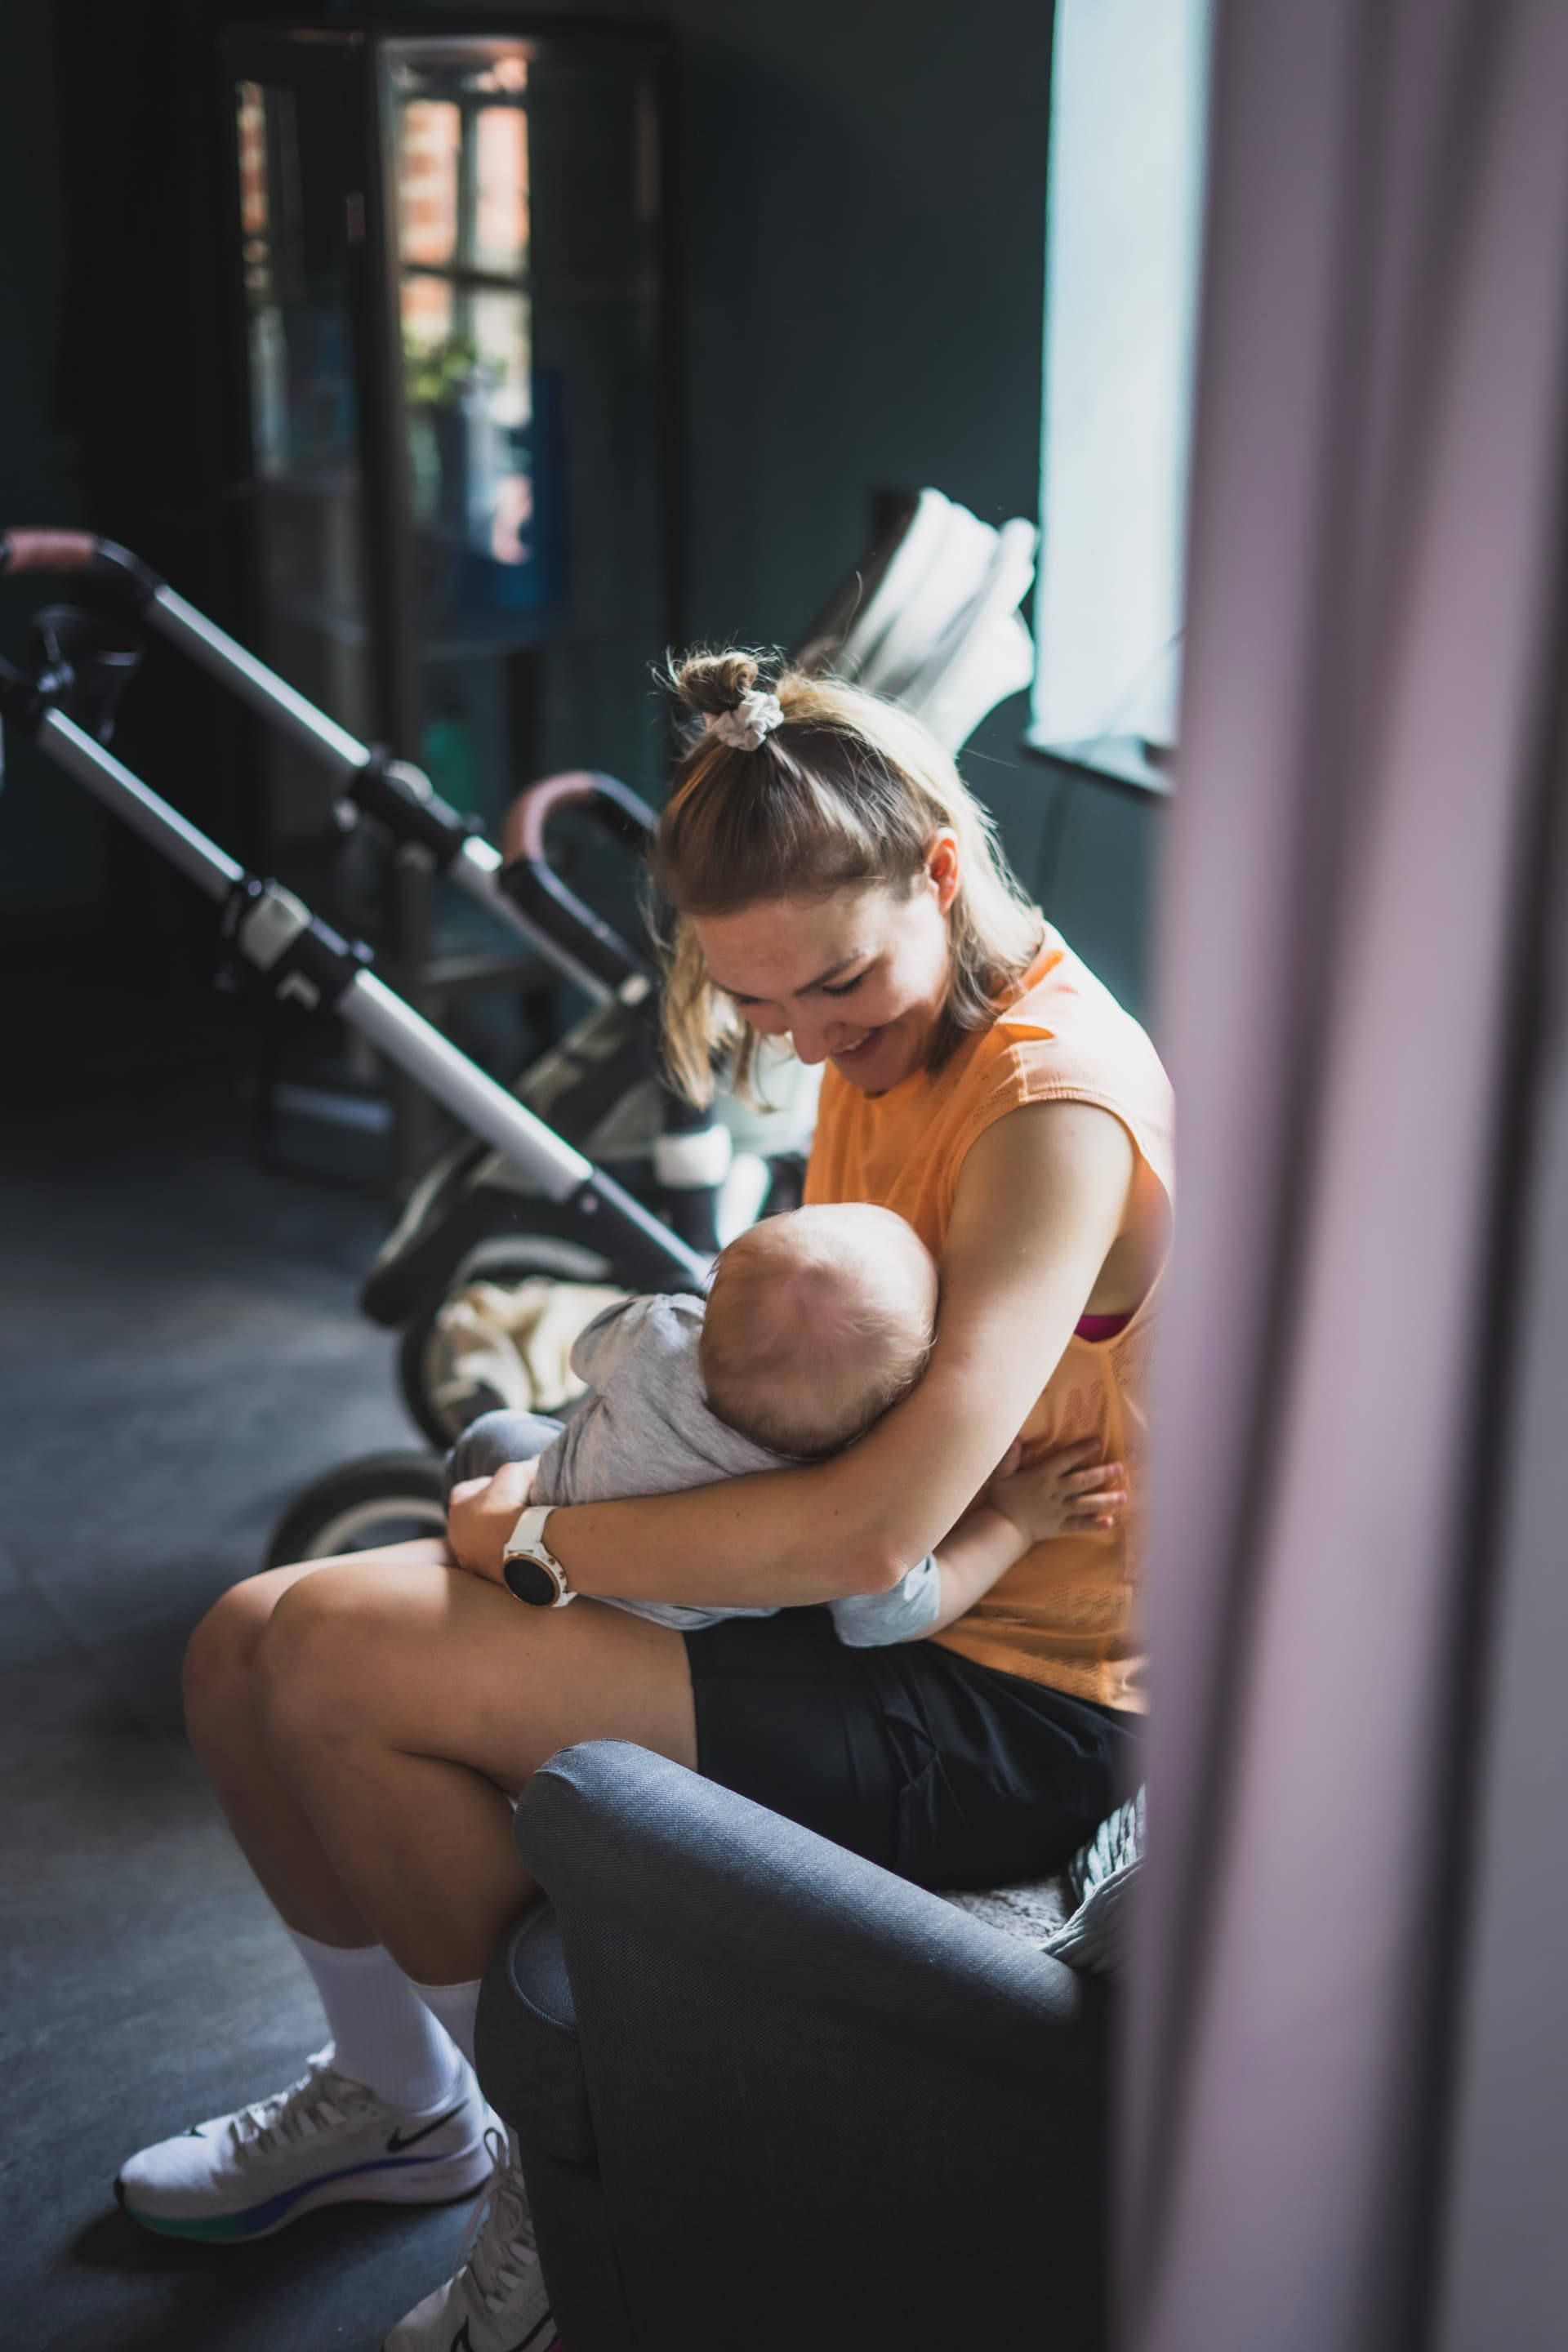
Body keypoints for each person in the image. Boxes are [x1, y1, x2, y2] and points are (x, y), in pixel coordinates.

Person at [117, 650, 1174, 2352]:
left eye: (833, 991)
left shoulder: (1053, 1111)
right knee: (242, 1645)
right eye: (759, 1006)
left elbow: (876, 1534)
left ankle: (563, 2173)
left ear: (943, 873)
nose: (808, 1041)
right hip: (858, 1626)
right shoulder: (875, 1042)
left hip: (1008, 1704)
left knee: (328, 1654)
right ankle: (401, 2105)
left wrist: (536, 1538)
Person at [444, 1199, 1126, 1647]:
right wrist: (1012, 1523)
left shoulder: (661, 1332)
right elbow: (893, 1617)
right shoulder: (858, 1479)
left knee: (495, 1436)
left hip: (548, 1531)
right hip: (656, 1640)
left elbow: (584, 1349)